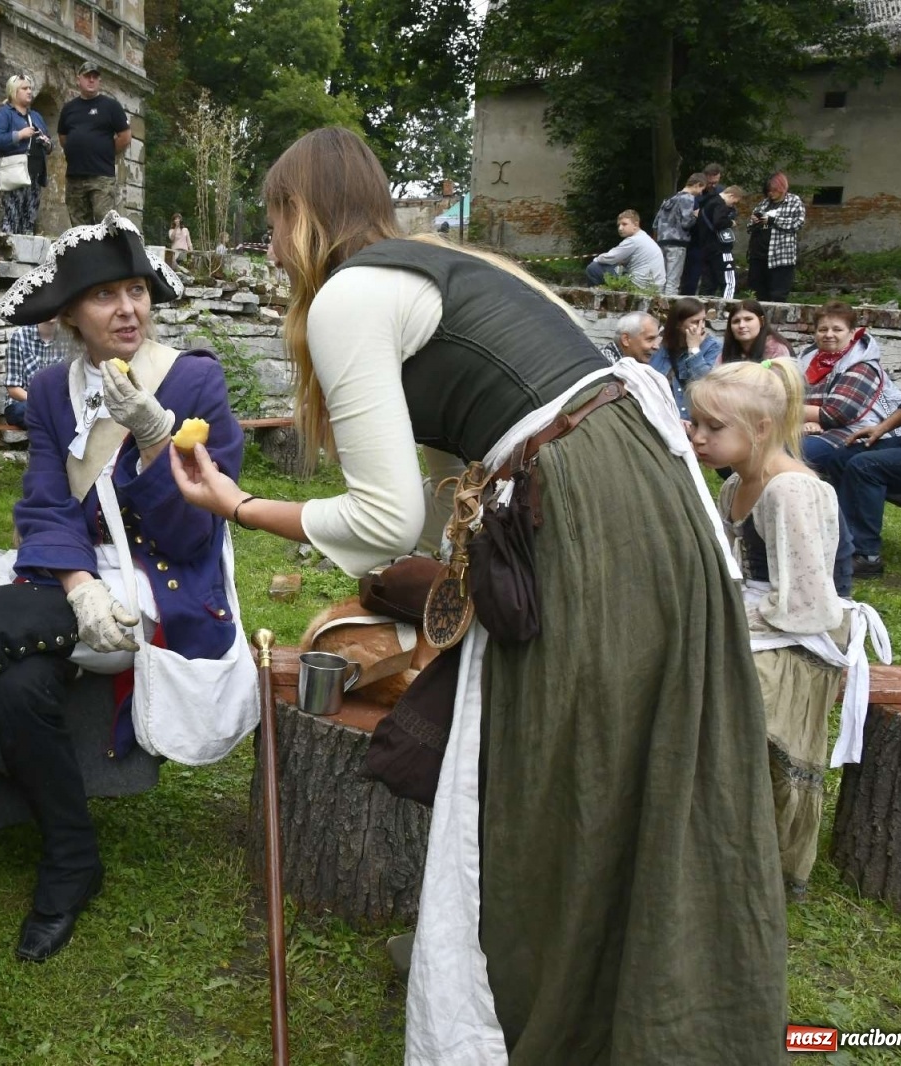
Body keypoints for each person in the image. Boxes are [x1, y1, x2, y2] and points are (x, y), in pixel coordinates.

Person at [170, 127, 785, 1065]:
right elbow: (442, 487)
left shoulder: (350, 296)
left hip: (586, 515)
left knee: (556, 766)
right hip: (646, 495)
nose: (269, 244)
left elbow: (379, 519)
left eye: (271, 220)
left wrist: (240, 503)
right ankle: (624, 990)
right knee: (623, 756)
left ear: (300, 215)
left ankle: (557, 1008)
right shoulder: (448, 266)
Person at [0, 212, 243, 963]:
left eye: (136, 289)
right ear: (72, 315)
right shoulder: (49, 392)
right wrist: (75, 585)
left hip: (162, 591)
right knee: (15, 690)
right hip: (75, 586)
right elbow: (45, 502)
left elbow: (193, 532)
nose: (128, 309)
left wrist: (155, 436)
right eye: (105, 295)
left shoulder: (194, 378)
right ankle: (73, 861)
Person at [690, 358, 868, 901]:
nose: (697, 438)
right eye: (694, 423)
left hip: (800, 641)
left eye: (712, 428)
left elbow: (810, 605)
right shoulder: (733, 488)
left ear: (761, 429)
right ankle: (710, 840)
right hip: (765, 620)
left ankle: (760, 860)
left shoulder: (789, 491)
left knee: (732, 709)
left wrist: (726, 623)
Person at [820, 311, 901, 578]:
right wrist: (882, 428)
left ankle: (867, 556)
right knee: (842, 456)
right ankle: (841, 539)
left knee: (866, 466)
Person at [795, 301, 901, 471]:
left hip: (859, 432)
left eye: (837, 329)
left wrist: (787, 410)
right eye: (823, 329)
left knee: (792, 453)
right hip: (813, 427)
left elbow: (835, 415)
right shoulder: (808, 360)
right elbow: (788, 395)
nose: (829, 334)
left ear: (852, 333)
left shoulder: (862, 365)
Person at [58, 60, 130, 226]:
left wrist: (104, 151)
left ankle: (108, 252)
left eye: (95, 77)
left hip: (101, 176)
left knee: (104, 222)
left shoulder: (111, 106)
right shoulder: (69, 108)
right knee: (79, 227)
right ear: (78, 79)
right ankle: (85, 253)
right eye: (87, 76)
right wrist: (76, 149)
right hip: (75, 176)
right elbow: (63, 137)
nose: (91, 80)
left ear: (99, 81)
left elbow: (125, 136)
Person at [0, 75, 52, 236]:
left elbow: (50, 144)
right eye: (24, 88)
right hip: (14, 173)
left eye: (30, 88)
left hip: (35, 174)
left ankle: (27, 258)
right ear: (13, 92)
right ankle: (10, 255)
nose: (29, 91)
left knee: (29, 220)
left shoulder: (36, 116)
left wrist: (46, 143)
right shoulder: (4, 114)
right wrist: (19, 135)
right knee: (12, 218)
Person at [651, 297, 722, 417]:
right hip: (658, 414)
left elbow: (705, 385)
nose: (702, 327)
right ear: (678, 324)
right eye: (695, 322)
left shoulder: (713, 346)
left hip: (689, 419)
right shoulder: (660, 345)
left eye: (704, 320)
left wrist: (694, 349)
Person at [746, 173, 806, 303]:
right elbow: (750, 226)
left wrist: (772, 220)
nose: (770, 194)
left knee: (778, 295)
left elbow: (797, 223)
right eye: (768, 191)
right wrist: (755, 221)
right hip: (758, 255)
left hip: (780, 257)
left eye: (773, 190)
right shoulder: (764, 203)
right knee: (757, 293)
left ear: (782, 188)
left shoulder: (794, 201)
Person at [3, 316, 63, 428]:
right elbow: (13, 389)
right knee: (20, 411)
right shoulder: (19, 337)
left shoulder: (69, 339)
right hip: (25, 403)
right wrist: (43, 403)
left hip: (57, 404)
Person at [584, 209, 665, 290]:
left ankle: (599, 297)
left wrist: (596, 259)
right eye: (619, 225)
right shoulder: (645, 237)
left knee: (593, 268)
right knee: (618, 268)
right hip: (656, 287)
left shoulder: (633, 240)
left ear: (635, 225)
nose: (620, 228)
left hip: (639, 286)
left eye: (624, 224)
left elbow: (609, 258)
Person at [655, 173, 706, 295]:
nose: (700, 193)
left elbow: (655, 223)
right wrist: (695, 215)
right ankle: (668, 311)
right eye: (701, 189)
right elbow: (686, 223)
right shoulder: (688, 198)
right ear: (698, 184)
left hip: (662, 241)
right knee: (673, 281)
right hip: (677, 243)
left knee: (661, 280)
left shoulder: (670, 198)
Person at [681, 162, 724, 295]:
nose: (713, 185)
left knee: (710, 277)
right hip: (695, 239)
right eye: (711, 182)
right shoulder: (695, 193)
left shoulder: (720, 192)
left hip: (712, 240)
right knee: (691, 275)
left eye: (716, 182)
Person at [701, 184, 744, 300]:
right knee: (729, 281)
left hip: (706, 248)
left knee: (708, 284)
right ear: (731, 196)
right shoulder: (720, 204)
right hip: (721, 248)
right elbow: (718, 222)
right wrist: (731, 223)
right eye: (734, 202)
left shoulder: (708, 202)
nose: (733, 206)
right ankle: (727, 308)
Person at [722, 299, 794, 364]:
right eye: (736, 321)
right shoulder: (728, 350)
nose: (741, 325)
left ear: (761, 321)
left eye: (748, 319)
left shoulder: (776, 350)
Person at [596, 309, 661, 365]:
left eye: (656, 339)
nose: (656, 346)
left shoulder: (629, 365)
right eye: (650, 339)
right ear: (626, 339)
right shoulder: (607, 366)